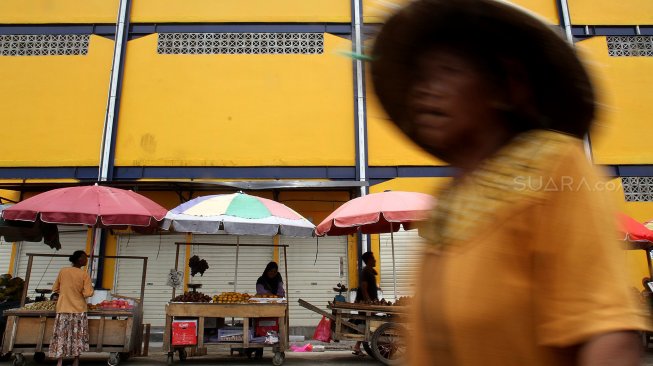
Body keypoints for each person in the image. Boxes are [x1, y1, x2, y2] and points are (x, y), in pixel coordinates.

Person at [370, 1, 649, 365]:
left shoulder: (555, 165)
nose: (424, 90)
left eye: (447, 71)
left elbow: (606, 332)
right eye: (420, 78)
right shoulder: (449, 202)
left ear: (508, 84)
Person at [48, 251, 94, 366]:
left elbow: (55, 288)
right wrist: (82, 291)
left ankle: (60, 362)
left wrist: (66, 292)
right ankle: (76, 360)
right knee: (77, 336)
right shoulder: (84, 274)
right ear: (79, 259)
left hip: (63, 308)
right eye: (85, 258)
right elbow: (88, 293)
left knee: (61, 334)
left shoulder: (63, 271)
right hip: (78, 310)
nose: (86, 260)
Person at [352, 251, 378, 356]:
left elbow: (374, 273)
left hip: (369, 301)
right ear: (369, 260)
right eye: (373, 258)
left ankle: (357, 346)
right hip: (365, 302)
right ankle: (357, 346)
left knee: (365, 324)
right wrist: (368, 302)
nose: (375, 260)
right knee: (364, 323)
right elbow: (363, 287)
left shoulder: (368, 270)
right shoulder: (365, 272)